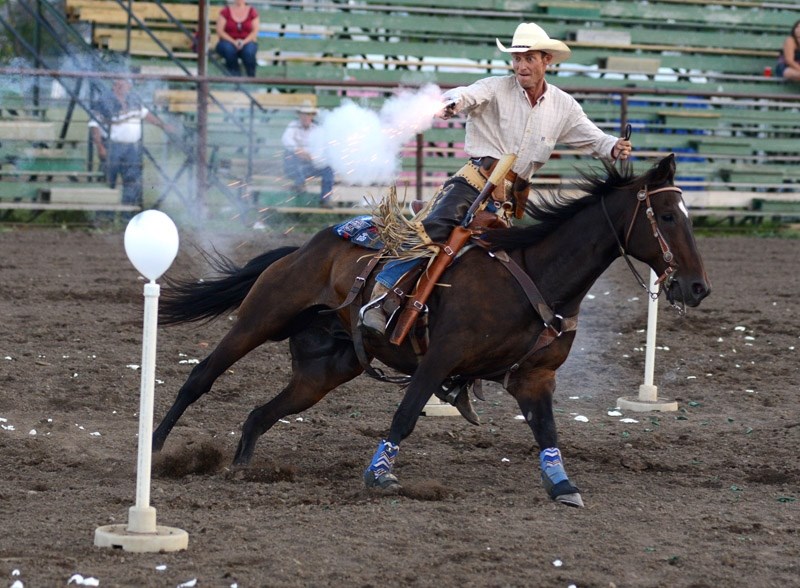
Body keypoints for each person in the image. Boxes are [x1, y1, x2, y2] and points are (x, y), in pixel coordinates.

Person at [360, 22, 633, 334]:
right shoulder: (494, 87)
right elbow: (467, 95)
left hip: (507, 202)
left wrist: (614, 146)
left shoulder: (564, 106)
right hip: (474, 181)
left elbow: (594, 138)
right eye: (517, 59)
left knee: (508, 263)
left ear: (546, 61)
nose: (521, 65)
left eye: (529, 58)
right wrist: (453, 102)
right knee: (435, 227)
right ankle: (381, 297)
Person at [89, 78, 174, 212]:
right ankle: (105, 215)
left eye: (125, 83)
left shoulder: (134, 100)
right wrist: (100, 147)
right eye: (118, 83)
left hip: (131, 148)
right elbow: (95, 126)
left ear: (129, 86)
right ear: (114, 85)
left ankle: (127, 214)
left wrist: (162, 125)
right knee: (108, 180)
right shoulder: (103, 102)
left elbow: (146, 115)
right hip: (112, 146)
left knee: (132, 180)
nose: (122, 86)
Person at [281, 102, 335, 208]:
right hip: (294, 165)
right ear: (300, 115)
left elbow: (320, 150)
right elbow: (286, 139)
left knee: (328, 169)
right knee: (290, 154)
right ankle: (300, 184)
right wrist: (298, 151)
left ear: (312, 116)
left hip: (309, 165)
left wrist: (311, 156)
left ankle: (325, 199)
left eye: (308, 114)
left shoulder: (317, 129)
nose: (306, 117)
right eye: (303, 114)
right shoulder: (293, 125)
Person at [215, 0, 260, 77]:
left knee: (249, 52)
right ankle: (235, 79)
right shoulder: (225, 12)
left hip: (247, 41)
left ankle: (251, 79)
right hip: (227, 41)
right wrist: (234, 42)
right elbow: (220, 31)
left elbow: (255, 31)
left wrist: (243, 42)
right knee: (229, 50)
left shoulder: (252, 12)